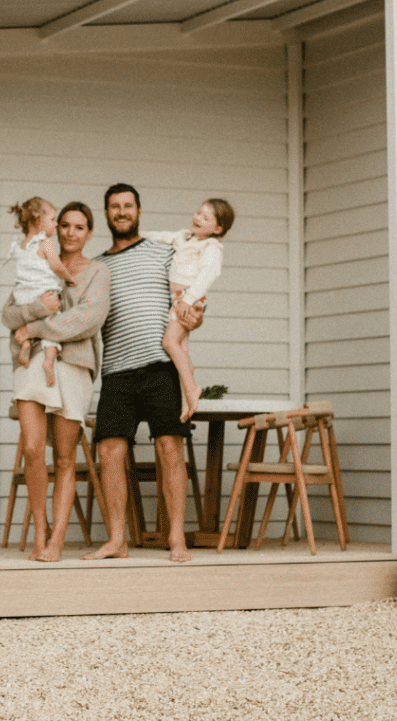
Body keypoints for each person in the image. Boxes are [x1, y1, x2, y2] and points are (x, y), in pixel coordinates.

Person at [84, 183, 203, 564]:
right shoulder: (97, 266)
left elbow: (188, 301)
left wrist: (195, 317)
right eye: (114, 207)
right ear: (106, 214)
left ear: (139, 210)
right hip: (116, 371)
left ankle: (176, 538)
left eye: (128, 206)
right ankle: (117, 540)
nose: (121, 212)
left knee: (170, 448)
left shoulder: (163, 251)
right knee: (109, 450)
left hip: (160, 367)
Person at [2, 202, 110, 562]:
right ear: (55, 227)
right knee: (33, 449)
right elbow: (8, 313)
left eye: (79, 227)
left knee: (65, 457)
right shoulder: (36, 258)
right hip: (33, 362)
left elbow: (87, 319)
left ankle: (57, 540)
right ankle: (40, 531)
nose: (70, 232)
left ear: (89, 232)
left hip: (75, 366)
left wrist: (31, 327)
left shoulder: (97, 272)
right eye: (64, 224)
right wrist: (36, 311)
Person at [142, 197, 235, 422]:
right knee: (181, 349)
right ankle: (187, 404)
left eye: (206, 217)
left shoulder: (211, 247)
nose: (198, 218)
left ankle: (192, 388)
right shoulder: (184, 237)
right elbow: (161, 236)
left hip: (188, 299)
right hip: (178, 299)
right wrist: (138, 235)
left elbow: (207, 276)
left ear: (218, 228)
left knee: (169, 343)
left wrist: (188, 299)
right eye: (198, 212)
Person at [7, 197, 78, 387]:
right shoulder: (45, 243)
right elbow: (57, 266)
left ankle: (26, 344)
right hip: (43, 295)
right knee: (51, 327)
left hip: (23, 297)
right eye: (53, 219)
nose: (55, 224)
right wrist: (69, 277)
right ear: (39, 220)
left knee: (29, 325)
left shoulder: (21, 245)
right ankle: (49, 359)